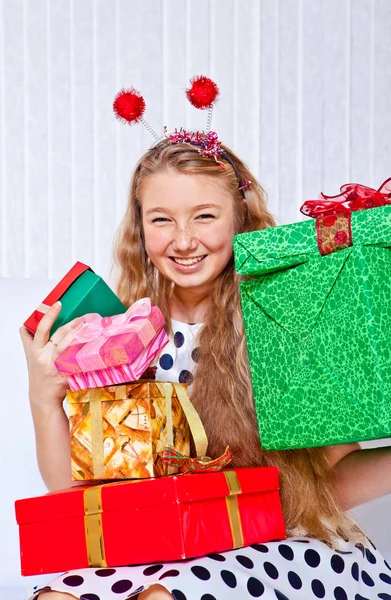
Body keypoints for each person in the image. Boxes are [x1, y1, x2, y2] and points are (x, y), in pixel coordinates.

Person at [20, 136, 391, 600]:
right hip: (164, 548)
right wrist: (43, 393)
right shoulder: (116, 333)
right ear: (139, 227)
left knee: (165, 596)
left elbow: (332, 478)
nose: (183, 240)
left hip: (285, 542)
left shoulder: (283, 319)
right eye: (161, 220)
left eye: (204, 216)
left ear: (241, 217)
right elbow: (72, 492)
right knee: (57, 597)